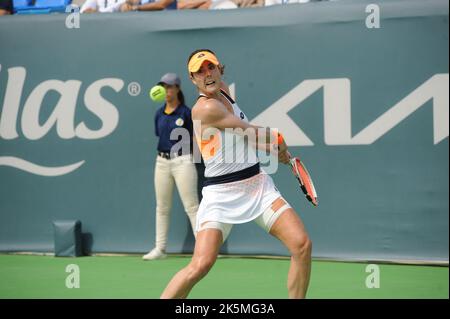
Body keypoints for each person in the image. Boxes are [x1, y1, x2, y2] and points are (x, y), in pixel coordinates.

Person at [160, 49, 312, 298]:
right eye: (200, 71)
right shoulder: (204, 109)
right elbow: (252, 130)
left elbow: (241, 136)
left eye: (211, 67)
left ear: (220, 69)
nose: (207, 74)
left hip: (257, 186)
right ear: (192, 78)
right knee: (200, 265)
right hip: (220, 195)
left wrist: (269, 150)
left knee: (302, 245)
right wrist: (277, 140)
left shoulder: (224, 91)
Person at [143, 73, 199, 260]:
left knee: (192, 206)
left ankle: (203, 250)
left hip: (183, 161)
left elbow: (194, 138)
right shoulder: (158, 114)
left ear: (177, 89)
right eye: (163, 86)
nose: (166, 90)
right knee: (162, 207)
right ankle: (160, 249)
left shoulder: (186, 113)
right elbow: (160, 135)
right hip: (162, 162)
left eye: (169, 86)